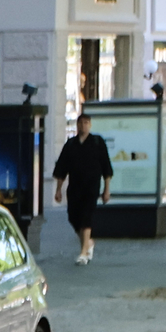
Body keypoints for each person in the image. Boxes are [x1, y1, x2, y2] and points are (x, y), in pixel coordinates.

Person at [52, 112, 114, 265]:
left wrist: (107, 189)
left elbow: (106, 167)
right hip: (75, 187)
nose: (83, 125)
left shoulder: (97, 143)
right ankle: (89, 243)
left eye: (86, 123)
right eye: (81, 123)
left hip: (91, 187)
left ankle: (83, 253)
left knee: (86, 217)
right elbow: (62, 168)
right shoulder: (71, 145)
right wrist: (58, 189)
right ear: (77, 125)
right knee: (74, 218)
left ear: (90, 125)